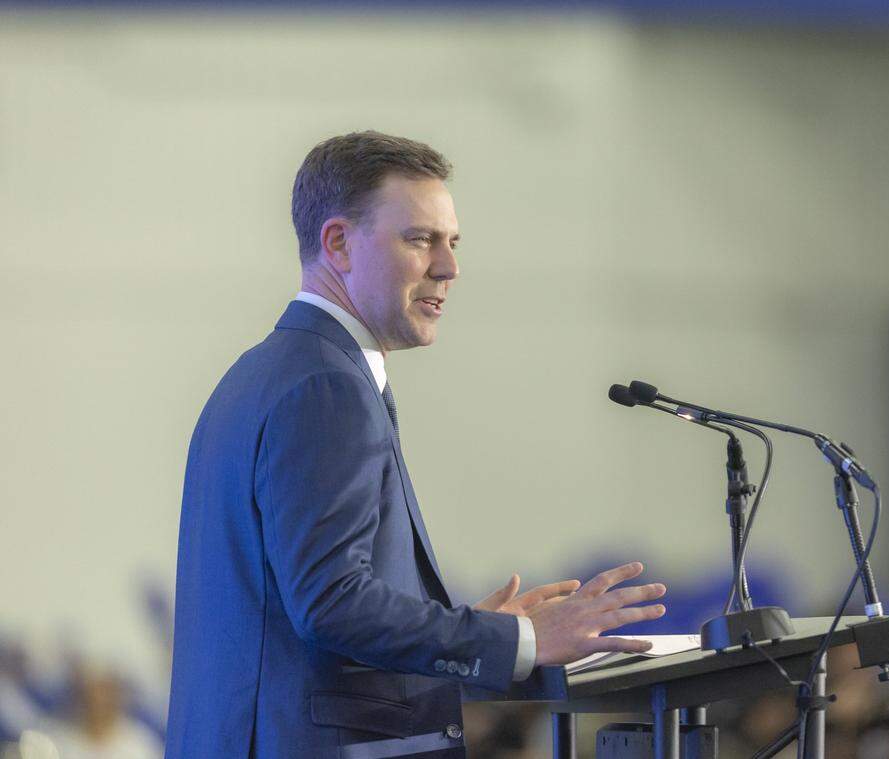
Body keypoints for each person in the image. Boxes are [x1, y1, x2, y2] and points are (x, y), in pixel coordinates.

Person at [164, 131, 667, 759]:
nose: (449, 267)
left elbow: (295, 616)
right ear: (338, 243)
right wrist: (521, 641)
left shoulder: (264, 373)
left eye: (451, 242)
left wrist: (472, 635)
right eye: (420, 239)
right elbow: (330, 603)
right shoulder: (326, 387)